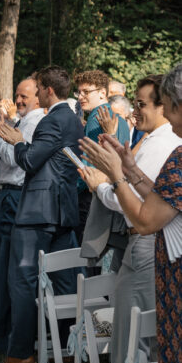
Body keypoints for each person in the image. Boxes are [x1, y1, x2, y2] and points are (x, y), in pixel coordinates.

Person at [79, 73, 181, 363]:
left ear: (169, 106)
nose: (136, 109)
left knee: (131, 341)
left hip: (149, 249)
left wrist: (110, 178)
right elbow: (155, 191)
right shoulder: (159, 142)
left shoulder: (170, 146)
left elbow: (143, 217)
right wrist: (125, 166)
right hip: (153, 250)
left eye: (145, 103)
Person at [0, 66, 84, 363]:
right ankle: (67, 351)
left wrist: (17, 140)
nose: (38, 94)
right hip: (62, 210)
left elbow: (29, 161)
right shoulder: (72, 119)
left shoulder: (52, 120)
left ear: (48, 91)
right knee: (64, 282)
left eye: (40, 89)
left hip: (38, 212)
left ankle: (19, 354)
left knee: (22, 280)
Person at [0, 77, 44, 352]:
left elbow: (14, 158)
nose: (19, 100)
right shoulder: (22, 120)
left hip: (15, 195)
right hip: (7, 192)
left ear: (39, 97)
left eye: (24, 96)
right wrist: (4, 129)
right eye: (17, 95)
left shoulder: (33, 122)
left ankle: (2, 332)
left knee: (6, 262)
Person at [74, 70, 130, 243]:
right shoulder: (120, 119)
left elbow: (88, 163)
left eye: (86, 92)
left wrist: (74, 190)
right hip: (117, 190)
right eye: (78, 92)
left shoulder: (96, 116)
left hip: (94, 194)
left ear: (102, 93)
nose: (80, 97)